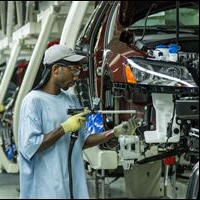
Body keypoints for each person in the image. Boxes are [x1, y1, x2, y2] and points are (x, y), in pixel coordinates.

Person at [18, 44, 139, 198]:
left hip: (71, 186)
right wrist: (64, 128)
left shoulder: (71, 100)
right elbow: (30, 146)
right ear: (56, 70)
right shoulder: (33, 101)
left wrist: (114, 132)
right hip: (44, 188)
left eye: (78, 71)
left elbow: (83, 140)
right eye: (73, 70)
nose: (76, 76)